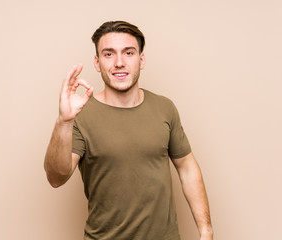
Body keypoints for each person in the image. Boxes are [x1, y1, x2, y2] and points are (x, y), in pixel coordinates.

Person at [44, 21, 213, 240]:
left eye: (129, 52)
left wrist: (206, 230)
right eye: (108, 54)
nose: (119, 62)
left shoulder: (164, 107)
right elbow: (56, 177)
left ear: (141, 59)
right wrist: (63, 122)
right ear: (97, 63)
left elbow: (187, 167)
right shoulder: (81, 115)